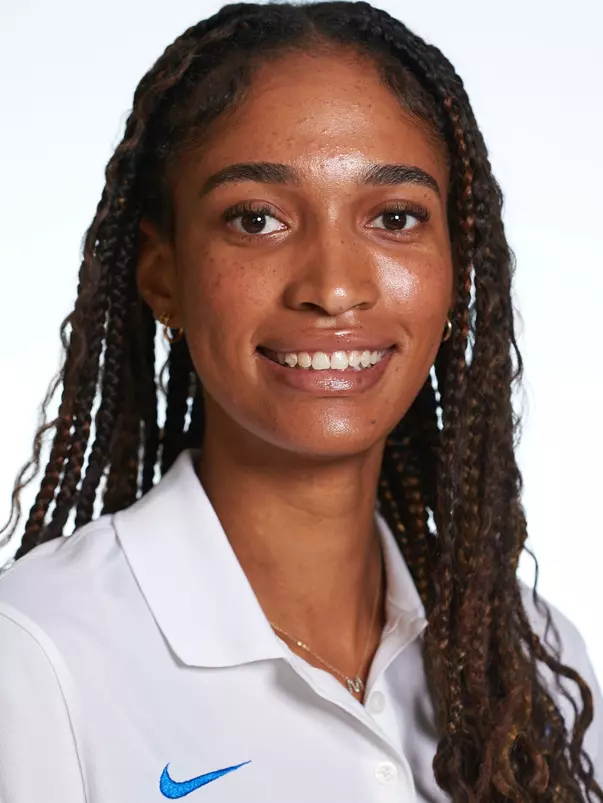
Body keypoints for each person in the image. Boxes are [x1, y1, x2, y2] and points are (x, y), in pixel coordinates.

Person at [0, 2, 600, 800]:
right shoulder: (35, 655)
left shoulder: (529, 661)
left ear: (456, 270)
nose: (334, 287)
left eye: (394, 217)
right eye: (256, 219)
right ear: (162, 273)